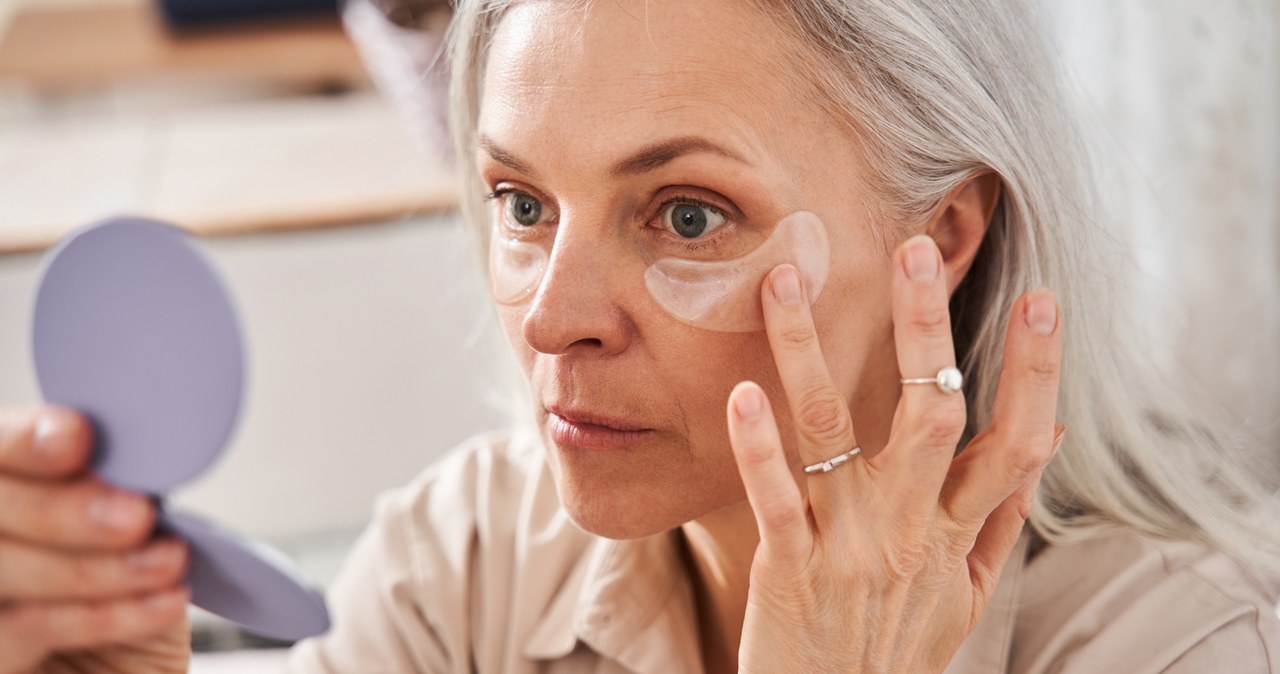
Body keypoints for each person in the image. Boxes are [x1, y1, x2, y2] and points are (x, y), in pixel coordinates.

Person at [2, 1, 1278, 672]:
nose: (552, 318)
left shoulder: (1172, 646)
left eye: (684, 213)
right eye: (520, 203)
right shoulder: (465, 564)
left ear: (937, 237)